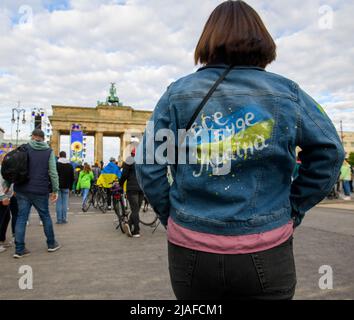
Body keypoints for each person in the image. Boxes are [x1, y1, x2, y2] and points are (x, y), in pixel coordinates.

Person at [135, 0, 345, 300]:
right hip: (266, 246)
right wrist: (294, 208)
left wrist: (172, 215)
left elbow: (148, 163)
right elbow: (330, 151)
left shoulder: (178, 93)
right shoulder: (287, 93)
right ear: (262, 39)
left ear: (209, 39)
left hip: (191, 248)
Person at [11, 129, 61, 258]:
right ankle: (51, 244)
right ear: (43, 138)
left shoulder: (24, 148)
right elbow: (53, 173)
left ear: (33, 136)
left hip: (22, 188)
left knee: (21, 218)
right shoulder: (49, 152)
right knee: (45, 216)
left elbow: (13, 166)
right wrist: (55, 190)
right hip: (40, 190)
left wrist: (7, 185)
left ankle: (19, 249)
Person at [119, 150, 144, 238]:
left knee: (134, 210)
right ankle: (129, 225)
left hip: (132, 188)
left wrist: (120, 185)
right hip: (142, 188)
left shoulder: (129, 161)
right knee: (136, 210)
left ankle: (136, 230)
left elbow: (124, 175)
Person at [0, 154, 18, 253]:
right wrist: (3, 197)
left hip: (9, 196)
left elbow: (11, 182)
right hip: (3, 197)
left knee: (7, 217)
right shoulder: (1, 170)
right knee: (1, 218)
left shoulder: (7, 170)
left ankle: (2, 239)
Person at [56, 151, 74, 224]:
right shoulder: (70, 166)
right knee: (65, 203)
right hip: (66, 186)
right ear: (65, 156)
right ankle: (64, 219)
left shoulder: (57, 164)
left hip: (58, 186)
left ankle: (59, 220)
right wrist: (71, 188)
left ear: (59, 156)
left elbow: (53, 175)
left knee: (58, 203)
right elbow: (72, 177)